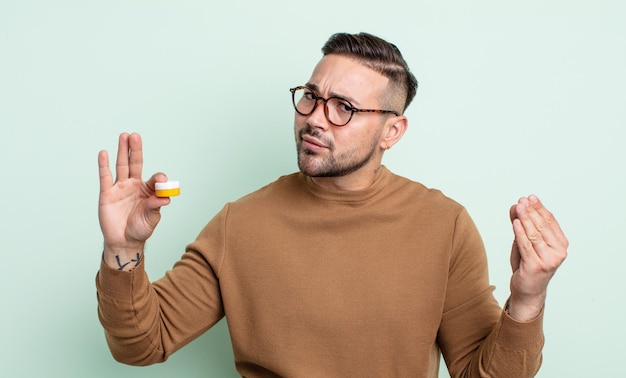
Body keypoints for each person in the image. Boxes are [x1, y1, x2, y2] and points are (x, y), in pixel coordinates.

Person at [96, 32, 568, 377]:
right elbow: (141, 344)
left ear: (392, 131)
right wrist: (122, 249)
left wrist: (528, 299)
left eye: (344, 107)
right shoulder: (239, 223)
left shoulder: (443, 225)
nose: (315, 119)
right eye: (311, 97)